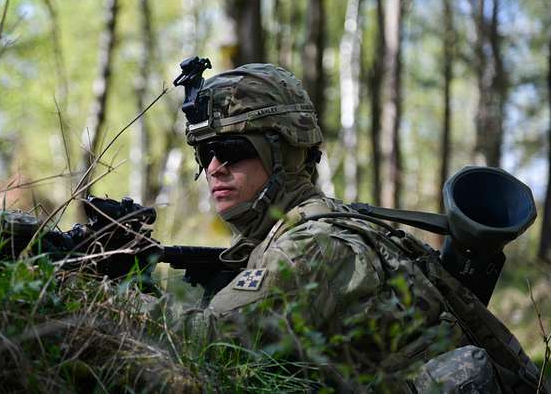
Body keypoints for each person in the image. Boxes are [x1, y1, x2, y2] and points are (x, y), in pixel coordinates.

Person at [168, 60, 546, 392]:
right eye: (205, 152)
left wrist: (116, 302)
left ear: (285, 150)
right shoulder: (329, 220)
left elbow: (212, 342)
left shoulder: (313, 243)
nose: (215, 167)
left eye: (233, 150)